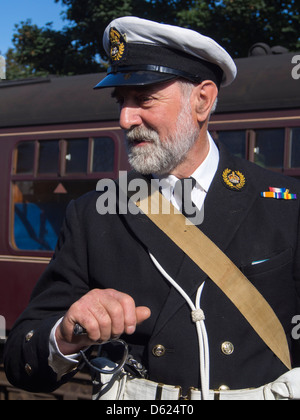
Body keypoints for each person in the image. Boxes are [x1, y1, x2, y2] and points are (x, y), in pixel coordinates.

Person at [4, 16, 300, 400]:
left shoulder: (284, 204)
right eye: (121, 102)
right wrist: (65, 331)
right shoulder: (93, 215)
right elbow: (19, 359)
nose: (126, 119)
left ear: (202, 100)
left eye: (143, 98)